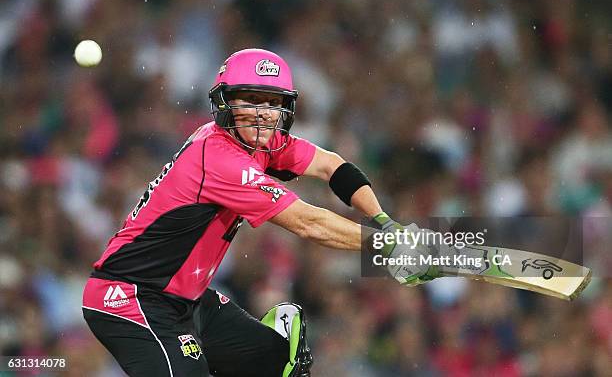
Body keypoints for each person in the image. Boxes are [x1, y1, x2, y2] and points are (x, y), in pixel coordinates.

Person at [81, 48, 437, 377]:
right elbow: (308, 223)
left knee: (278, 362)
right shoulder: (219, 157)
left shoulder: (260, 140)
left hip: (188, 299)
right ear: (225, 103)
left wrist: (385, 222)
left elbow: (333, 167)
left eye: (272, 102)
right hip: (130, 298)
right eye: (250, 100)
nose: (263, 113)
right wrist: (389, 246)